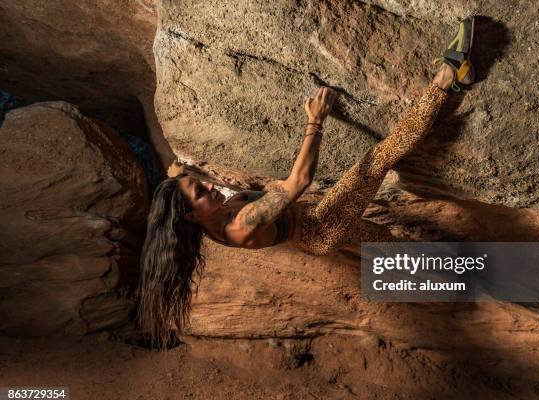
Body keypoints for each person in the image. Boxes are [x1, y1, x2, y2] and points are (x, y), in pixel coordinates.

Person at [137, 17, 476, 348]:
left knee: (385, 239)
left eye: (201, 183)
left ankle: (448, 276)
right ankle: (449, 76)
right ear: (192, 216)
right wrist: (315, 121)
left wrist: (179, 175)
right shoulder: (240, 226)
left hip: (315, 235)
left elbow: (178, 177)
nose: (209, 186)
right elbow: (298, 180)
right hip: (321, 225)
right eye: (199, 192)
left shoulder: (202, 218)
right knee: (378, 159)